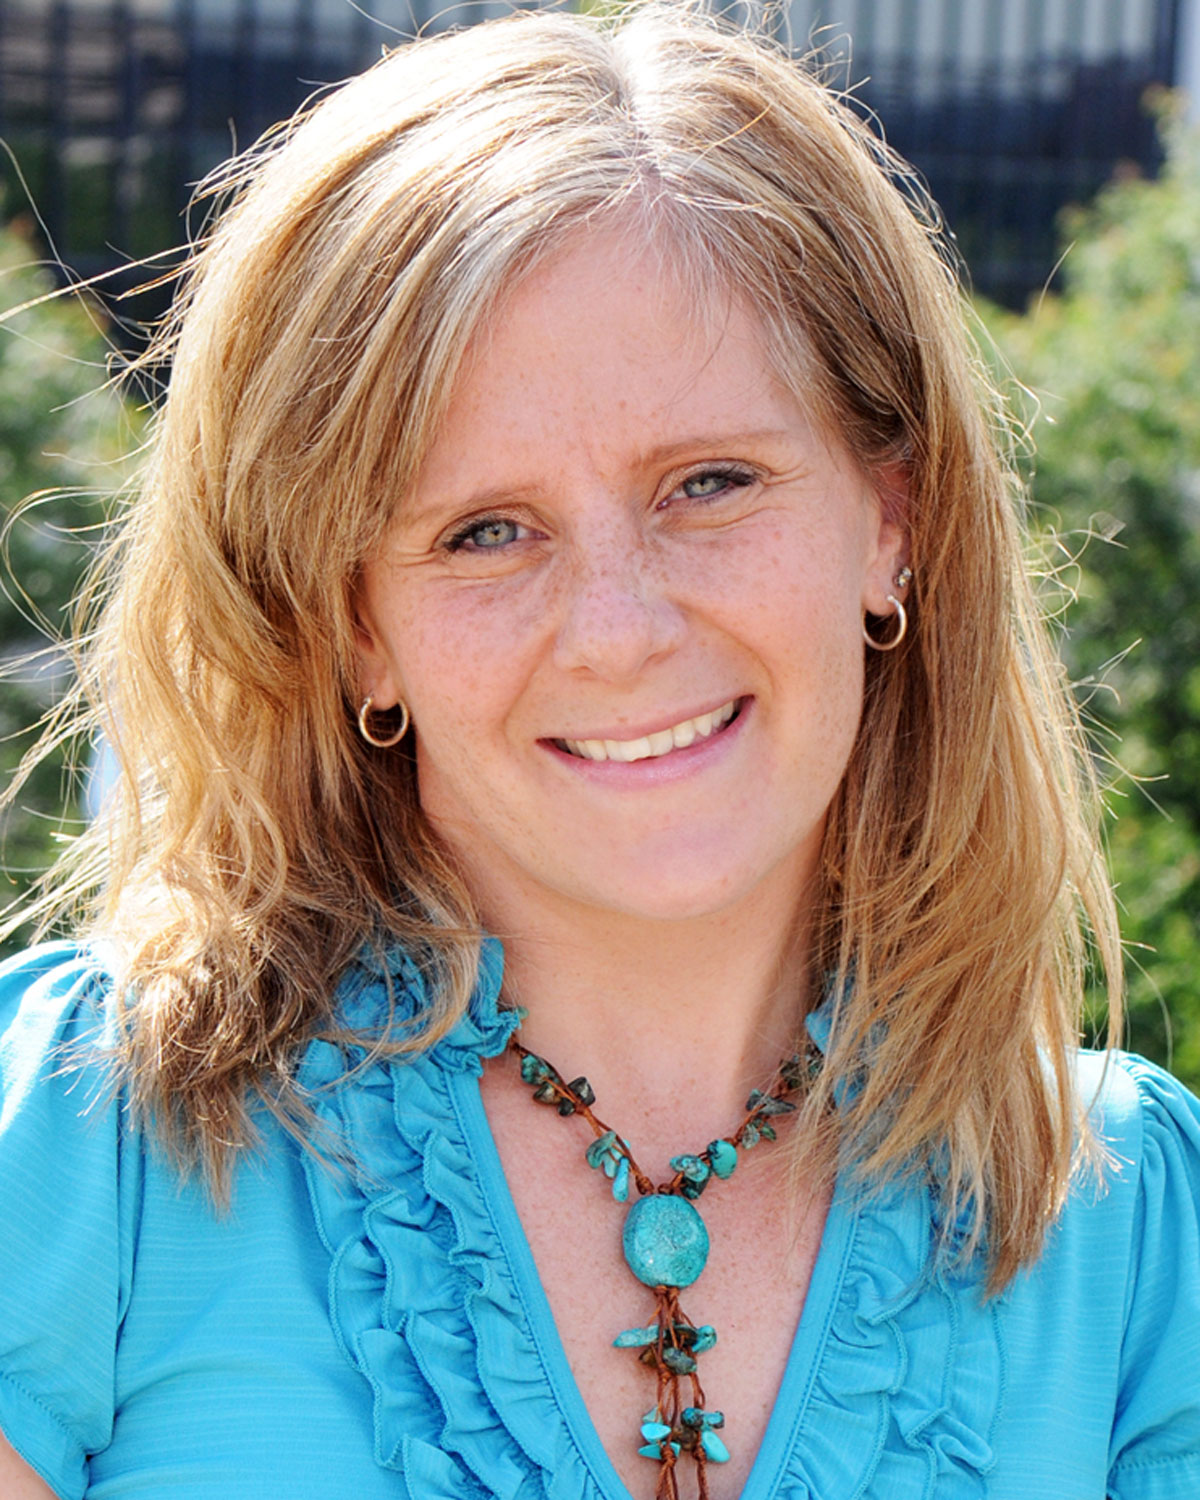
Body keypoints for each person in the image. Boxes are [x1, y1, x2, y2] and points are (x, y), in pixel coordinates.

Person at [1, 6, 1198, 1498]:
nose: (618, 630)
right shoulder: (88, 1146)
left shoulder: (1135, 1233)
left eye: (710, 483)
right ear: (352, 623)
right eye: (484, 532)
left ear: (895, 518)